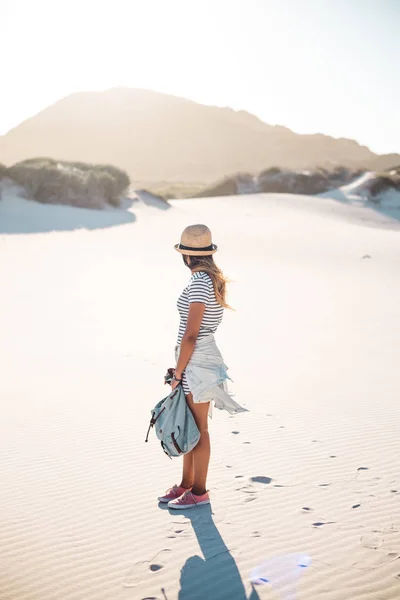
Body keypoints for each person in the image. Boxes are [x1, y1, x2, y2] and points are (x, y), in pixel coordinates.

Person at [158, 224, 246, 510]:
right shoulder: (209, 280)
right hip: (197, 358)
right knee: (190, 425)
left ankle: (199, 491)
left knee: (198, 429)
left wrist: (179, 371)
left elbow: (192, 335)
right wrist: (179, 367)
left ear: (186, 256)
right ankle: (186, 484)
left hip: (197, 360)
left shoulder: (199, 283)